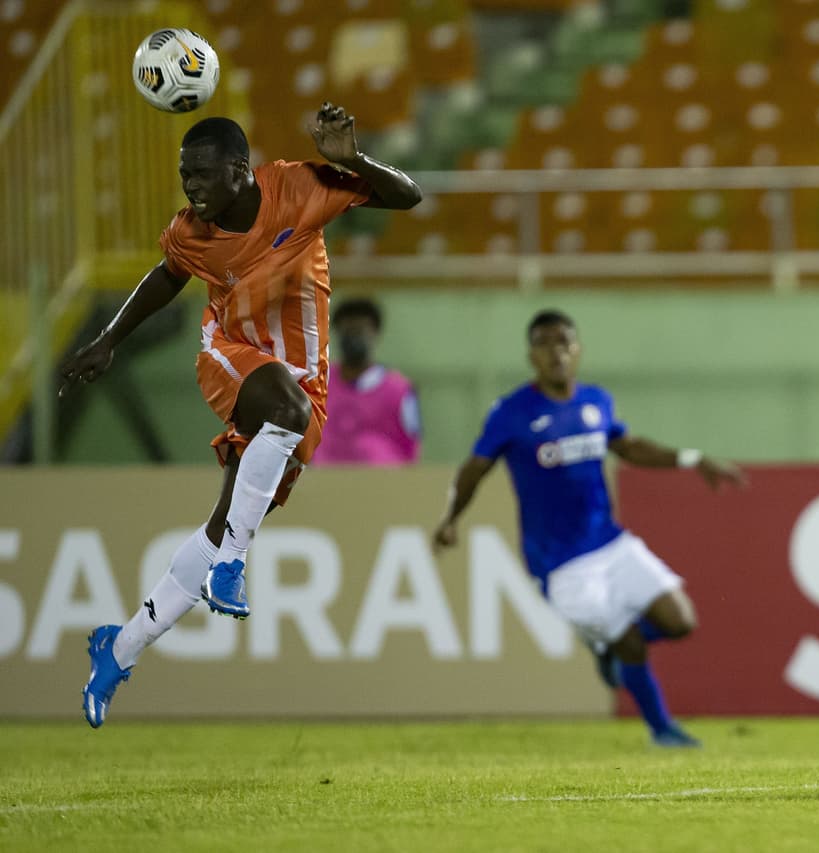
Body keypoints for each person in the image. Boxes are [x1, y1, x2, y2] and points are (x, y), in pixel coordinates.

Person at [61, 103, 423, 728]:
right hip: (230, 356)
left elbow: (408, 197)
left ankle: (118, 650)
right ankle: (234, 564)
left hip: (304, 385)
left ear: (239, 170)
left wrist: (353, 161)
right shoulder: (189, 232)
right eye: (185, 175)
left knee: (222, 522)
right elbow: (166, 276)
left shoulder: (299, 188)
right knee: (277, 421)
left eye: (201, 174)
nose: (191, 186)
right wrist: (110, 339)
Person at [432, 309, 746, 747]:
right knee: (631, 643)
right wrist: (451, 518)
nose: (555, 352)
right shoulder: (511, 412)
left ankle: (608, 651)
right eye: (544, 344)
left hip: (610, 542)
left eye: (563, 342)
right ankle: (662, 730)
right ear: (531, 356)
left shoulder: (596, 401)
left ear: (577, 350)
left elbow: (628, 446)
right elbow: (475, 469)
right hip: (561, 565)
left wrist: (692, 459)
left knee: (681, 622)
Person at [311, 297, 422, 466]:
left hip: (382, 479)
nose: (354, 338)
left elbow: (412, 447)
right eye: (348, 331)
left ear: (375, 333)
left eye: (360, 331)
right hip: (325, 477)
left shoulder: (399, 390)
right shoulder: (319, 383)